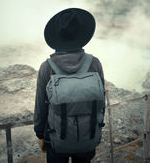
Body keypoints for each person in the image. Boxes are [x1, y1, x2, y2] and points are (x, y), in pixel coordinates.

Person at [34, 8, 105, 163]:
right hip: (88, 137)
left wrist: (40, 133)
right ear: (81, 35)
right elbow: (101, 103)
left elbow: (41, 107)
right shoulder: (94, 63)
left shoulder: (47, 67)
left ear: (57, 37)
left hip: (56, 139)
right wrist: (96, 126)